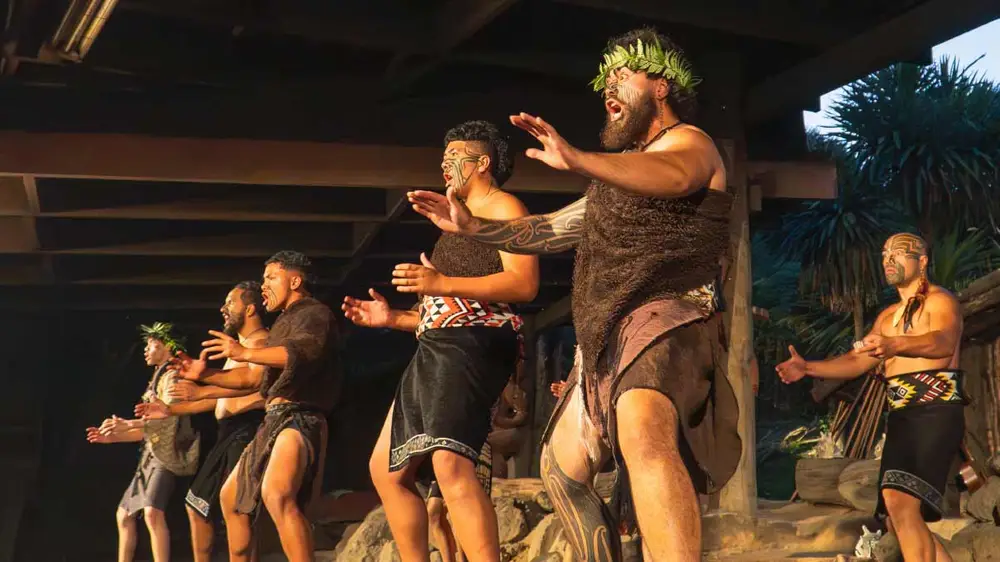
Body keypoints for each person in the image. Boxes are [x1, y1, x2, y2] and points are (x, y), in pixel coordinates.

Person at [407, 28, 741, 562]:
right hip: (605, 332)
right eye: (605, 78)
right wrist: (474, 230)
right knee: (561, 469)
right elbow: (549, 230)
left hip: (667, 315)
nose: (609, 87)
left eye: (623, 75)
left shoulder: (690, 142)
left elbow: (675, 177)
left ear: (661, 86)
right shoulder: (614, 178)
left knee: (641, 431)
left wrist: (580, 159)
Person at [343, 120, 539, 562]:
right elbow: (446, 309)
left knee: (450, 464)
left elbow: (524, 284)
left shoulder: (506, 208)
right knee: (386, 471)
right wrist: (394, 318)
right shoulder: (455, 225)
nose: (445, 167)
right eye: (443, 160)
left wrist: (442, 281)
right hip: (438, 347)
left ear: (482, 163)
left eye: (455, 159)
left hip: (476, 347)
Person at [777, 232, 964, 562]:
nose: (889, 259)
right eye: (884, 254)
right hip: (903, 415)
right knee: (897, 516)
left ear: (923, 261)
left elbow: (943, 342)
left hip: (935, 410)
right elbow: (856, 361)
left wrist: (896, 345)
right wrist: (808, 367)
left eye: (899, 252)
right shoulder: (887, 318)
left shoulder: (940, 301)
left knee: (900, 501)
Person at [171, 251, 341, 562]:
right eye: (263, 279)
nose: (264, 286)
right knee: (231, 498)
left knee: (276, 495)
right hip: (273, 420)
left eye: (271, 278)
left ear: (295, 280)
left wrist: (243, 352)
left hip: (298, 416)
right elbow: (252, 378)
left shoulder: (315, 313)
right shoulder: (282, 324)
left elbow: (299, 354)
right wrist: (208, 375)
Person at [135, 281, 270, 562]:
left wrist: (204, 380)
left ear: (251, 308)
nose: (223, 308)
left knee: (239, 510)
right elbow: (222, 398)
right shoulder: (241, 348)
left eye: (230, 302)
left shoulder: (261, 344)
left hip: (248, 429)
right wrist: (173, 410)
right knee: (196, 506)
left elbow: (254, 385)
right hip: (229, 431)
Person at [86, 322, 200, 562]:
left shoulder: (173, 377)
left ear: (168, 346)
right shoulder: (158, 378)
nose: (146, 349)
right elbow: (149, 431)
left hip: (165, 455)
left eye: (152, 344)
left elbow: (166, 422)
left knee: (151, 512)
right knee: (124, 515)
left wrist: (127, 425)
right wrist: (113, 437)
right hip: (151, 454)